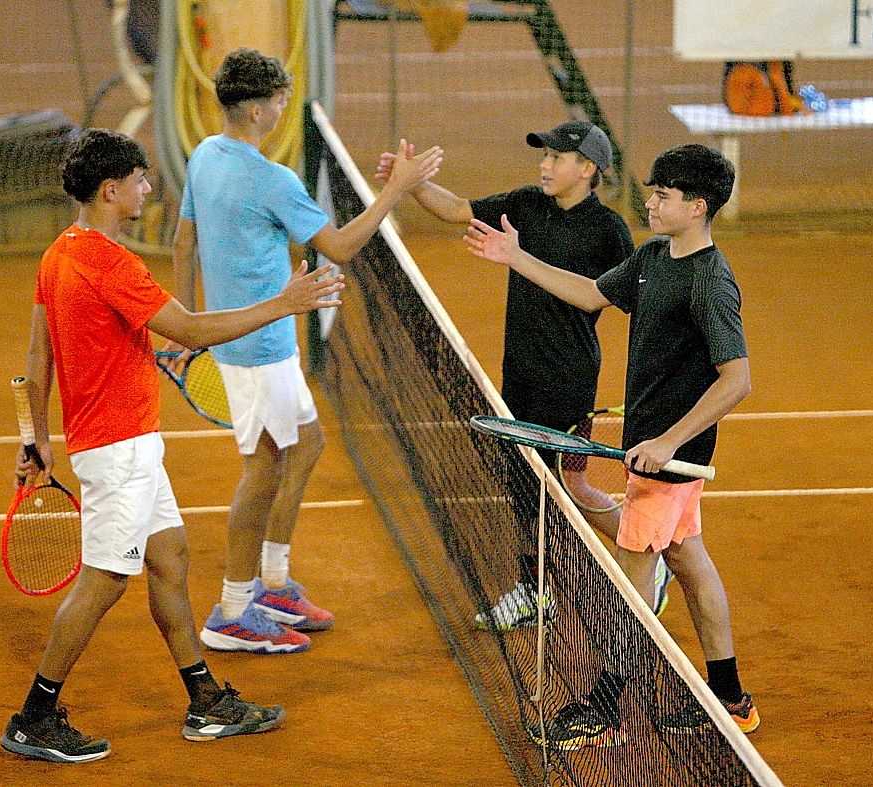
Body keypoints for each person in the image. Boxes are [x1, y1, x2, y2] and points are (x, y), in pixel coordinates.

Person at [0, 128, 346, 763]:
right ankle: (35, 716)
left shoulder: (59, 254)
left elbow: (36, 355)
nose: (148, 189)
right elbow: (187, 327)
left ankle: (205, 701)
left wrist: (34, 434)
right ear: (111, 190)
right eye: (139, 179)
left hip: (124, 444)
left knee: (170, 558)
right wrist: (286, 302)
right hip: (118, 449)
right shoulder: (112, 263)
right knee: (105, 580)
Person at [464, 143, 759, 746]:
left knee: (627, 585)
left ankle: (602, 704)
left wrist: (667, 441)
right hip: (657, 449)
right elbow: (592, 293)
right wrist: (517, 257)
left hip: (671, 456)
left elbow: (738, 379)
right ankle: (731, 699)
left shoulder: (708, 281)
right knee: (688, 561)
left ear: (698, 206)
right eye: (651, 192)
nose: (649, 202)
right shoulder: (654, 258)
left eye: (663, 196)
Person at [168, 47, 442, 654]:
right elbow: (341, 247)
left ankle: (270, 583)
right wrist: (396, 189)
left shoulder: (205, 157)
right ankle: (233, 610)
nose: (285, 107)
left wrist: (186, 323)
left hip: (251, 340)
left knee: (307, 443)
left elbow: (183, 240)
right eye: (281, 98)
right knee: (263, 468)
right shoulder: (273, 180)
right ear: (263, 108)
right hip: (261, 345)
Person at [375, 121, 674, 630]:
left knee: (562, 486)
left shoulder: (608, 231)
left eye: (557, 158)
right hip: (520, 369)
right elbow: (456, 210)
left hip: (568, 375)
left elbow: (627, 298)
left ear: (587, 169)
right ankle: (542, 585)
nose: (545, 164)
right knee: (526, 485)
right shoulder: (527, 205)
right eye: (545, 155)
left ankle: (632, 556)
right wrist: (412, 184)